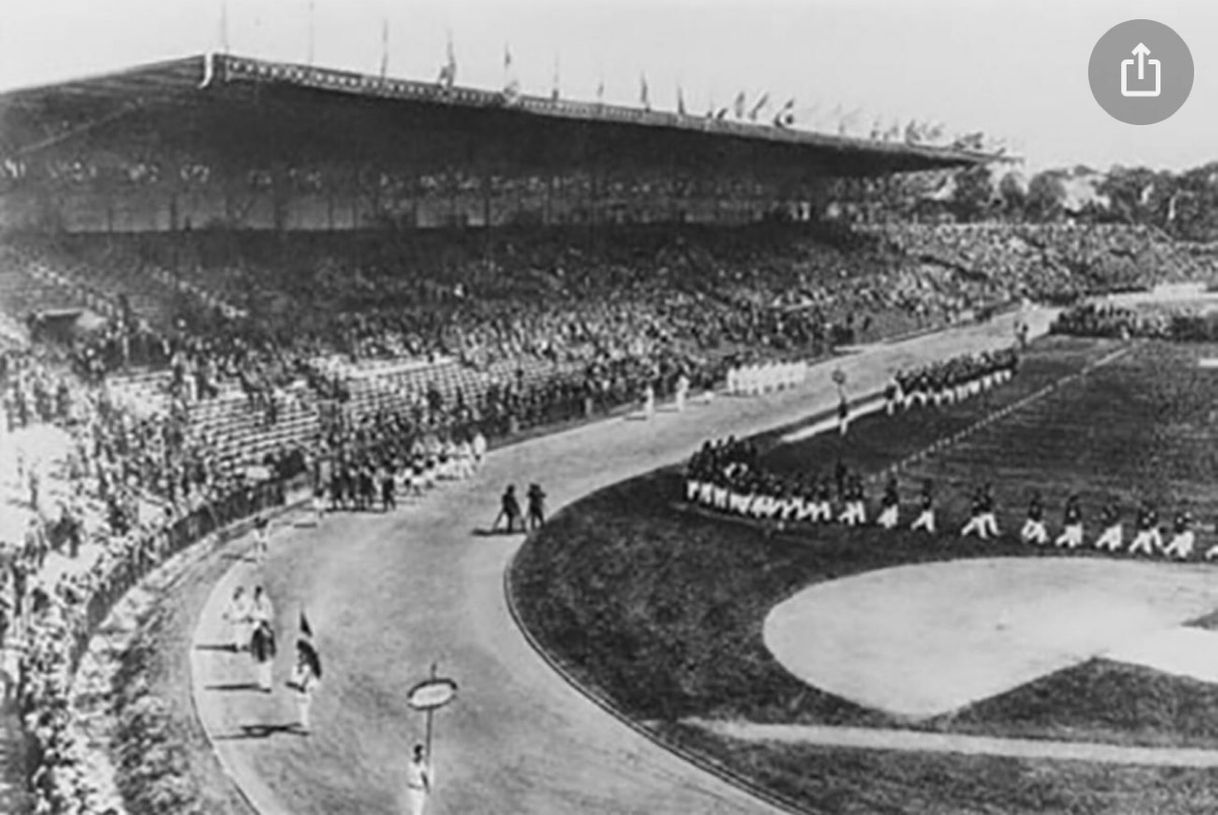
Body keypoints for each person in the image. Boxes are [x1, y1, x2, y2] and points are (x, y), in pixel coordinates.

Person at [291, 640, 321, 734]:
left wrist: (304, 685)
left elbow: (308, 676)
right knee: (302, 707)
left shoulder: (306, 665)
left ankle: (305, 726)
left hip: (304, 688)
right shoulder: (306, 662)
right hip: (303, 688)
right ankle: (303, 723)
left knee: (304, 707)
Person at [250, 618, 276, 692]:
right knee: (264, 669)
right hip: (263, 653)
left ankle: (266, 685)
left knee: (266, 669)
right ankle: (265, 685)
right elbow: (253, 643)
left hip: (266, 653)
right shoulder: (259, 632)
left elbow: (273, 643)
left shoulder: (269, 632)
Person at [406, 743, 432, 815]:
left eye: (423, 755)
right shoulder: (411, 764)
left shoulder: (422, 764)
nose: (422, 757)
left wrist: (427, 786)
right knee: (415, 812)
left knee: (419, 812)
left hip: (421, 790)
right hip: (413, 790)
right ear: (417, 754)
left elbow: (424, 776)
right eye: (421, 755)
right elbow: (417, 774)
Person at [223, 586, 251, 652]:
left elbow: (247, 608)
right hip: (235, 618)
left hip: (242, 618)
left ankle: (243, 645)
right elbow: (229, 606)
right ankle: (238, 646)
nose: (237, 592)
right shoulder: (232, 598)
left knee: (243, 632)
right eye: (236, 591)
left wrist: (247, 615)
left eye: (239, 591)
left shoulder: (245, 599)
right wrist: (226, 613)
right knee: (237, 632)